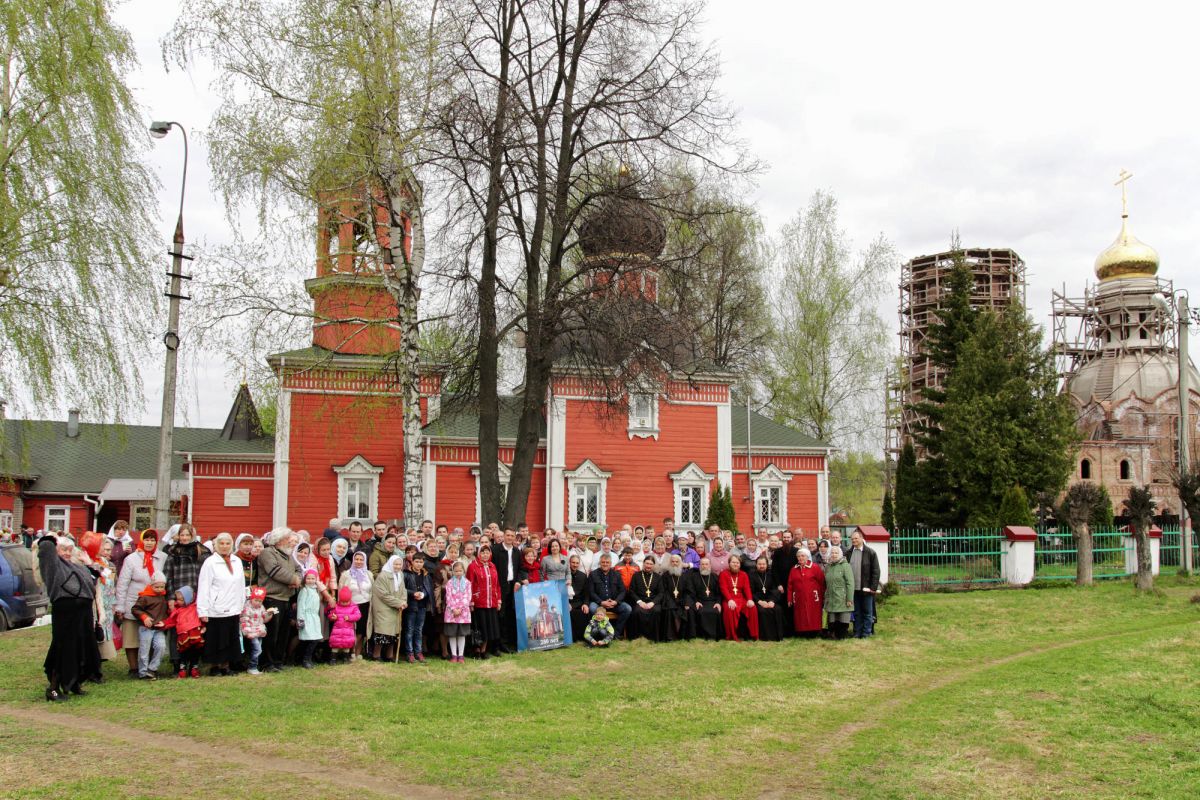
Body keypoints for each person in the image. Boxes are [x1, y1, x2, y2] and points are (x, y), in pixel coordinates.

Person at [38, 535, 101, 700]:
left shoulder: (76, 566)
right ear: (56, 550)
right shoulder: (52, 565)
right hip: (65, 613)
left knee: (81, 649)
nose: (67, 553)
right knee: (62, 650)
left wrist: (88, 562)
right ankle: (53, 688)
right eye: (63, 549)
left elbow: (98, 576)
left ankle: (73, 684)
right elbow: (45, 547)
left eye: (70, 550)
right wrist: (52, 539)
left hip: (83, 614)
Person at [116, 529, 167, 677]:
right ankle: (133, 668)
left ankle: (149, 668)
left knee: (152, 638)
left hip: (155, 606)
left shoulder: (162, 557)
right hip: (135, 603)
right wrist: (120, 605)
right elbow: (123, 583)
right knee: (132, 639)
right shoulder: (131, 559)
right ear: (141, 540)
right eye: (146, 539)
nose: (149, 543)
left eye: (152, 540)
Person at [196, 532, 246, 676]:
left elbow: (241, 584)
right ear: (216, 545)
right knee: (217, 639)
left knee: (231, 638)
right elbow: (204, 586)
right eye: (221, 544)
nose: (224, 546)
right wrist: (203, 610)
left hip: (233, 606)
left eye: (227, 543)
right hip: (216, 607)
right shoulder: (210, 562)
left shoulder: (236, 561)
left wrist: (241, 604)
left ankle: (226, 665)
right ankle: (215, 666)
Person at [256, 528, 302, 672]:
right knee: (271, 634)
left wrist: (297, 579)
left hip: (285, 598)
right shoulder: (267, 553)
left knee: (283, 633)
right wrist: (293, 579)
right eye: (287, 538)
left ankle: (277, 661)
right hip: (272, 598)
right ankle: (266, 663)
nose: (290, 542)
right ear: (279, 539)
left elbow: (299, 569)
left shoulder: (288, 555)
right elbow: (275, 571)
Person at [80, 532, 118, 667]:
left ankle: (97, 664)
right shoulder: (83, 561)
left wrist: (113, 603)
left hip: (106, 605)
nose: (105, 549)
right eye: (102, 545)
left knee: (102, 634)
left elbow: (108, 579)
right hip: (92, 604)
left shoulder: (104, 563)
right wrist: (90, 564)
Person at [131, 575, 171, 680]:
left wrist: (164, 622)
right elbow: (135, 609)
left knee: (161, 647)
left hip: (158, 628)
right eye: (156, 587)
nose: (159, 589)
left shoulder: (163, 597)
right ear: (151, 585)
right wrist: (144, 617)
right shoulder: (144, 597)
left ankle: (152, 669)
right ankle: (143, 672)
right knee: (144, 650)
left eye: (162, 587)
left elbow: (165, 613)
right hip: (146, 628)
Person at [369, 555, 408, 662]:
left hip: (395, 607)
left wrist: (403, 601)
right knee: (383, 632)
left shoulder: (400, 575)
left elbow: (403, 590)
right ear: (391, 564)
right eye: (396, 564)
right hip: (384, 608)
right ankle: (376, 655)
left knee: (393, 633)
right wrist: (398, 602)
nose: (398, 566)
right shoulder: (383, 576)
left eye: (400, 564)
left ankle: (389, 656)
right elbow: (383, 595)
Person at [337, 550, 373, 660]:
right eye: (356, 559)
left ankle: (358, 652)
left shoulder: (369, 574)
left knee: (361, 630)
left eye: (361, 559)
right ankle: (349, 652)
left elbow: (372, 590)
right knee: (351, 630)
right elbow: (340, 591)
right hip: (350, 606)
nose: (359, 561)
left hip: (365, 605)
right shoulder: (346, 575)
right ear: (353, 560)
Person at [466, 545, 501, 659]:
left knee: (488, 627)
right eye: (482, 553)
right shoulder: (472, 566)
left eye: (487, 553)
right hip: (478, 602)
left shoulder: (493, 566)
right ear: (478, 554)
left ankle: (484, 650)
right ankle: (476, 650)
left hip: (491, 601)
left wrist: (499, 600)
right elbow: (469, 584)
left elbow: (497, 584)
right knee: (479, 627)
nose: (485, 555)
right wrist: (471, 601)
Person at [163, 585, 205, 678]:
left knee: (195, 651)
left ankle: (194, 668)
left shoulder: (195, 608)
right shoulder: (177, 610)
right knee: (183, 652)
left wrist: (203, 626)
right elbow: (171, 620)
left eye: (181, 600)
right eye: (177, 599)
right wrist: (163, 624)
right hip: (183, 635)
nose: (178, 602)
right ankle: (182, 669)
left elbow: (201, 617)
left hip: (195, 635)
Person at [585, 553, 630, 638]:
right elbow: (591, 592)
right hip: (599, 603)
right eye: (603, 562)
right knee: (592, 608)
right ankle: (598, 633)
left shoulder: (617, 574)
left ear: (610, 563)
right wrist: (601, 602)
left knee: (627, 609)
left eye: (607, 562)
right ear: (600, 563)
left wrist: (616, 601)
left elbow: (623, 591)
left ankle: (615, 634)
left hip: (614, 603)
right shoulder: (593, 574)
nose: (605, 564)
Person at [847, 531, 881, 638]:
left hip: (867, 589)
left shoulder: (870, 553)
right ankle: (857, 632)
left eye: (856, 539)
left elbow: (876, 571)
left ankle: (866, 632)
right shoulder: (848, 553)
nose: (854, 541)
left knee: (867, 612)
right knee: (856, 612)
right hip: (853, 589)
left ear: (861, 539)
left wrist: (873, 588)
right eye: (852, 539)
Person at [402, 552, 434, 663]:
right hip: (411, 606)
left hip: (422, 606)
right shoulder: (406, 574)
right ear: (412, 562)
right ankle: (409, 652)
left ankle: (418, 651)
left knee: (419, 630)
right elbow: (402, 589)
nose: (419, 564)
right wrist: (413, 593)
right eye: (417, 562)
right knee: (409, 630)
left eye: (421, 562)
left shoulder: (426, 575)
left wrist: (424, 594)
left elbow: (429, 589)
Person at [493, 529, 521, 653]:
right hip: (500, 586)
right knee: (501, 615)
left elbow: (520, 568)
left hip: (513, 586)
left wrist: (518, 581)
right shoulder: (495, 550)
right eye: (508, 535)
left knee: (510, 614)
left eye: (512, 536)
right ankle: (499, 643)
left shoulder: (516, 551)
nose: (510, 537)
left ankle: (509, 642)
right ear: (503, 536)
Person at [719, 554, 758, 641]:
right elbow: (723, 588)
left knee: (752, 607)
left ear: (740, 564)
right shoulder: (723, 574)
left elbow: (747, 588)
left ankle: (753, 634)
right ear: (729, 563)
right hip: (728, 598)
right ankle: (732, 635)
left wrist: (750, 599)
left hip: (741, 598)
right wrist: (729, 600)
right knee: (730, 609)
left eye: (737, 563)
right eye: (733, 562)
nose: (735, 564)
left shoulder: (743, 574)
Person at [787, 548, 825, 638]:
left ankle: (814, 632)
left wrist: (822, 595)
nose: (800, 558)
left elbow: (822, 582)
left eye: (802, 556)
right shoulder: (793, 569)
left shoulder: (814, 567)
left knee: (813, 614)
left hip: (813, 596)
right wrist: (789, 598)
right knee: (801, 615)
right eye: (799, 556)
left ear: (807, 557)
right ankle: (802, 632)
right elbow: (790, 585)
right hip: (799, 597)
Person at [684, 557, 722, 640]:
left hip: (713, 602)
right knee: (701, 611)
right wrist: (696, 602)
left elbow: (719, 593)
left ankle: (714, 635)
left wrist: (718, 603)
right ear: (699, 565)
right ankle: (702, 634)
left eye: (706, 564)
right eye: (702, 564)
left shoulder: (715, 577)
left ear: (710, 566)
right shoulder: (694, 577)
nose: (704, 566)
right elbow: (691, 592)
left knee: (715, 611)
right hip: (700, 601)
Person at [240, 586, 276, 675]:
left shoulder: (261, 607)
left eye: (260, 601)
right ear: (252, 598)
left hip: (259, 631)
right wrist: (247, 632)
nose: (258, 603)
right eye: (256, 600)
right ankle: (252, 667)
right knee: (257, 649)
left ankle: (253, 666)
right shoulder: (247, 608)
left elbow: (263, 619)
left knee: (258, 649)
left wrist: (269, 614)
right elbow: (244, 620)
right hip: (251, 631)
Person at [441, 560, 472, 663]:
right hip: (451, 613)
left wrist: (461, 609)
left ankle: (461, 655)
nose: (458, 573)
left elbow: (467, 597)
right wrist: (454, 609)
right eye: (456, 571)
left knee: (461, 634)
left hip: (463, 613)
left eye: (460, 571)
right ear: (453, 572)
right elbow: (448, 597)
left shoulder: (467, 583)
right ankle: (454, 655)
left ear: (463, 571)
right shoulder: (449, 583)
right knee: (452, 634)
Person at [628, 555, 664, 642]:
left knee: (656, 611)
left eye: (651, 564)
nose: (648, 566)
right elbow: (632, 591)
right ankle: (638, 637)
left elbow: (661, 593)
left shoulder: (658, 577)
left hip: (653, 602)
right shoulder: (636, 575)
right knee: (637, 611)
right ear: (643, 564)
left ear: (653, 565)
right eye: (647, 563)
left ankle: (654, 638)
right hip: (640, 601)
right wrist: (640, 602)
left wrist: (653, 603)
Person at [749, 556, 784, 642]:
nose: (761, 566)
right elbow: (750, 591)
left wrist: (772, 601)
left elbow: (775, 590)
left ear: (767, 564)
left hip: (770, 599)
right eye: (759, 564)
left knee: (777, 609)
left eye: (763, 564)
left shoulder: (771, 574)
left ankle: (778, 636)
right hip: (758, 600)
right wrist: (759, 601)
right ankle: (765, 636)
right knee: (762, 611)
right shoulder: (751, 575)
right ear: (756, 565)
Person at [296, 569, 324, 669]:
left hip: (314, 617)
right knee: (309, 639)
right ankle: (305, 659)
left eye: (313, 578)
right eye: (308, 578)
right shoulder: (304, 590)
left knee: (315, 638)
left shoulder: (315, 590)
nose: (310, 580)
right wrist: (300, 620)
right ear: (305, 579)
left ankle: (308, 658)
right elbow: (301, 606)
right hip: (306, 617)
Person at [823, 546, 854, 640]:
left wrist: (849, 598)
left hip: (842, 597)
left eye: (836, 553)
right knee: (832, 618)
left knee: (843, 618)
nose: (834, 555)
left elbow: (850, 583)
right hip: (831, 597)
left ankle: (842, 636)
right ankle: (833, 635)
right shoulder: (828, 567)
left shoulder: (845, 566)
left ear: (840, 554)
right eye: (832, 553)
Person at [328, 586, 361, 663]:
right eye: (343, 602)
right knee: (335, 644)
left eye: (346, 602)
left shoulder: (354, 607)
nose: (344, 603)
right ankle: (333, 659)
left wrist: (350, 617)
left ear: (350, 599)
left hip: (348, 630)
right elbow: (330, 614)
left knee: (347, 644)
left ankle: (345, 658)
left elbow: (358, 615)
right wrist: (333, 617)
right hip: (337, 630)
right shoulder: (336, 606)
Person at [660, 554, 689, 641]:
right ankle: (670, 636)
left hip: (682, 601)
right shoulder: (665, 575)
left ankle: (682, 636)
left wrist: (686, 603)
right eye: (672, 561)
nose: (675, 563)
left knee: (686, 610)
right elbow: (664, 591)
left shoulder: (684, 576)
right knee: (670, 610)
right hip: (669, 601)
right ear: (670, 563)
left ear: (680, 563)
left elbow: (688, 591)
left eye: (677, 562)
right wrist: (671, 602)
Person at [566, 554, 590, 643]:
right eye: (573, 562)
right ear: (569, 563)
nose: (575, 565)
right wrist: (566, 603)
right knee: (570, 613)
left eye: (577, 563)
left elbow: (586, 593)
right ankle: (572, 638)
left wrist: (586, 604)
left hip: (580, 602)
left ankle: (583, 637)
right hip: (568, 603)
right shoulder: (564, 575)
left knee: (585, 612)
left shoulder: (583, 576)